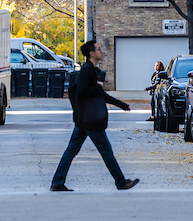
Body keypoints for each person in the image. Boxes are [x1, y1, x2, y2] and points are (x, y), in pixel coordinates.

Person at [50, 40, 139, 192]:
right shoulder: (87, 70)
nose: (101, 51)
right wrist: (97, 86)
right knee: (105, 149)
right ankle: (120, 181)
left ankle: (57, 182)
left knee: (71, 150)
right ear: (91, 53)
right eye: (99, 49)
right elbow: (82, 92)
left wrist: (122, 105)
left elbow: (101, 94)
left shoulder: (91, 69)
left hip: (84, 119)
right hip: (90, 119)